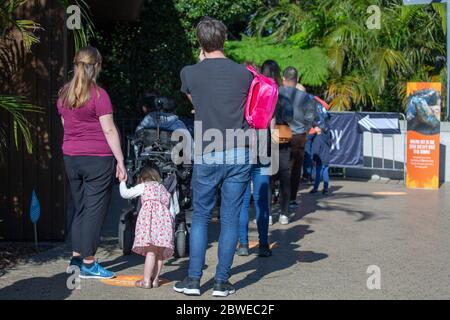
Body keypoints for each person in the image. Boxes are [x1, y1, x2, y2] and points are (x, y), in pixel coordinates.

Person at [173, 17, 252, 297]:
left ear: (199, 42)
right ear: (224, 39)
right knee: (230, 218)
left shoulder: (189, 73)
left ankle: (194, 281)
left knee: (202, 217)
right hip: (240, 151)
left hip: (207, 150)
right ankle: (221, 282)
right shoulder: (245, 74)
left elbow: (198, 105)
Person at [58, 46, 126, 279]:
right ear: (96, 66)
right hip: (97, 159)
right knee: (94, 212)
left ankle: (76, 259)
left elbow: (66, 127)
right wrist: (121, 160)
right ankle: (88, 263)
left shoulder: (64, 94)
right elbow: (108, 129)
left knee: (81, 208)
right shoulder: (99, 95)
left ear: (76, 65)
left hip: (71, 157)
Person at [236, 62, 273, 258]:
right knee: (262, 199)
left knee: (242, 200)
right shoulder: (266, 92)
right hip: (263, 151)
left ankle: (243, 244)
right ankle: (264, 244)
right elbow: (270, 124)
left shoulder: (237, 94)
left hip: (242, 150)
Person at [119, 166, 174, 289]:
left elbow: (125, 194)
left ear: (143, 178)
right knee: (159, 254)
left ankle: (146, 281)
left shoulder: (145, 186)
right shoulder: (163, 189)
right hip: (164, 224)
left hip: (149, 224)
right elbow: (172, 209)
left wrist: (122, 182)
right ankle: (155, 280)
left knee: (151, 252)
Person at [280, 66, 317, 209]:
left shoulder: (276, 92)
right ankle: (291, 199)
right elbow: (310, 118)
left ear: (283, 79)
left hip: (280, 132)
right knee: (295, 169)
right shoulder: (305, 97)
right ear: (297, 80)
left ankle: (277, 195)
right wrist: (305, 131)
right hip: (298, 135)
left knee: (278, 166)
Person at [262, 60, 293, 225]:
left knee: (267, 177)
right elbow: (290, 117)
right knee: (284, 176)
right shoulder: (284, 95)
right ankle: (284, 213)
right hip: (283, 137)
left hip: (265, 137)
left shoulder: (261, 92)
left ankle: (267, 215)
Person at [310, 116, 331, 195]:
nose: (314, 128)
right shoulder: (326, 137)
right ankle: (325, 189)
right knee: (325, 174)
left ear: (319, 128)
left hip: (320, 160)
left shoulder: (317, 139)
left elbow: (316, 151)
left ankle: (315, 189)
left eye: (315, 127)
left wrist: (314, 159)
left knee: (318, 174)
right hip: (326, 158)